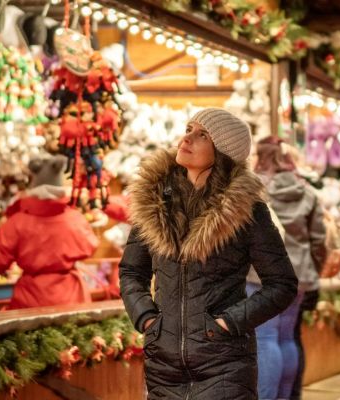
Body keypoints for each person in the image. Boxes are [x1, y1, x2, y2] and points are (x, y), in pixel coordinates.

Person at [119, 108, 298, 399]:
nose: (187, 138)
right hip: (164, 366)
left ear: (223, 152)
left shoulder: (245, 210)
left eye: (201, 134)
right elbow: (131, 272)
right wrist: (148, 320)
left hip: (225, 364)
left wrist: (228, 323)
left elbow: (282, 284)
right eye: (188, 128)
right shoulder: (156, 203)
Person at [0, 154, 99, 309]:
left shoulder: (17, 222)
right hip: (73, 298)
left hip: (32, 300)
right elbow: (91, 246)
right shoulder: (76, 219)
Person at [252, 137, 327, 400]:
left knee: (265, 338)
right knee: (286, 337)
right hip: (299, 275)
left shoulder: (253, 188)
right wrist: (313, 270)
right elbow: (318, 239)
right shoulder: (306, 190)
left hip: (261, 275)